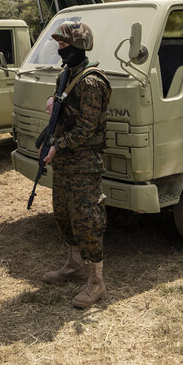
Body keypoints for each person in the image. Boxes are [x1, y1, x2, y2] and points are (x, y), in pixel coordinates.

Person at [40, 22, 111, 309]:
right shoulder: (67, 74)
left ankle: (97, 282)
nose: (60, 48)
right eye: (58, 44)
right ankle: (74, 264)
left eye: (64, 44)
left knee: (86, 219)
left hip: (83, 161)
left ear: (79, 46)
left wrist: (58, 145)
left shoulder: (91, 81)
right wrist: (52, 99)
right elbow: (65, 106)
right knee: (64, 214)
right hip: (66, 160)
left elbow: (86, 127)